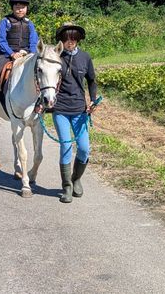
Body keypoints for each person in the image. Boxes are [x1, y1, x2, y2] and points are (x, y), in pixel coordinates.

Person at [47, 22, 98, 203]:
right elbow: (44, 78)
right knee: (66, 147)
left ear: (78, 40)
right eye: (67, 39)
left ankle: (76, 179)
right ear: (62, 40)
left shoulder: (85, 57)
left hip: (80, 110)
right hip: (60, 109)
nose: (70, 42)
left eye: (73, 39)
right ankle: (67, 187)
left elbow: (91, 80)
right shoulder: (55, 57)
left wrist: (92, 99)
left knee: (84, 149)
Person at [0, 0, 39, 113]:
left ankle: (39, 100)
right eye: (17, 7)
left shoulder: (30, 24)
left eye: (23, 7)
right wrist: (12, 54)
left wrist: (30, 53)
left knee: (39, 71)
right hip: (8, 54)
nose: (20, 10)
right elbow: (1, 40)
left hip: (26, 54)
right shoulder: (5, 21)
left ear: (27, 8)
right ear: (12, 7)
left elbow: (34, 41)